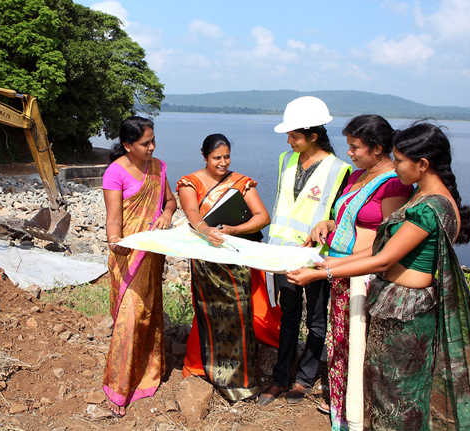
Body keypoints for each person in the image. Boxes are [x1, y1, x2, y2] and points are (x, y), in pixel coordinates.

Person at [287, 121, 470, 430]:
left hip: (407, 312)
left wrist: (323, 272)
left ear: (422, 165)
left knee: (398, 398)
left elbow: (383, 258)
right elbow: (380, 251)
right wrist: (325, 268)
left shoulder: (430, 208)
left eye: (399, 160)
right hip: (397, 305)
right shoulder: (424, 199)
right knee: (385, 391)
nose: (394, 168)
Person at [304, 115, 412, 428]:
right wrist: (327, 224)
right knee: (341, 343)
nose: (348, 153)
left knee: (361, 345)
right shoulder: (356, 176)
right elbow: (352, 220)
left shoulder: (393, 182)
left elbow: (386, 241)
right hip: (340, 270)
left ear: (378, 149)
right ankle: (342, 410)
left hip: (364, 276)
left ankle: (360, 414)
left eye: (355, 147)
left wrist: (338, 265)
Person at [257, 96, 351, 407]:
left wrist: (329, 222)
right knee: (288, 316)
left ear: (313, 136)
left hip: (317, 258)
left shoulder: (340, 169)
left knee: (316, 319)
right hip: (284, 254)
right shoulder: (286, 160)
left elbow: (343, 215)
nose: (289, 141)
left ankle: (305, 378)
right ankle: (280, 378)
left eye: (294, 135)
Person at [176, 133, 273, 401]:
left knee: (240, 311)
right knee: (208, 312)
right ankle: (203, 367)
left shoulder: (241, 182)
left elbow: (262, 217)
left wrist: (234, 229)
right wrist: (206, 229)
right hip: (206, 259)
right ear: (204, 156)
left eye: (226, 156)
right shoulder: (189, 182)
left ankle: (240, 377)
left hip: (235, 258)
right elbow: (192, 214)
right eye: (216, 157)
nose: (222, 162)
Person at [102, 116, 176, 417]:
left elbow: (170, 202)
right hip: (129, 256)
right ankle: (118, 389)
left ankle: (147, 374)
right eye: (146, 143)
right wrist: (116, 241)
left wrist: (166, 215)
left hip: (153, 254)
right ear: (128, 145)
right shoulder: (115, 172)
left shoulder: (159, 168)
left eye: (153, 140)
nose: (152, 147)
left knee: (150, 314)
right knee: (129, 320)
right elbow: (114, 221)